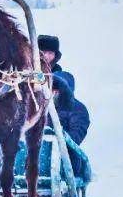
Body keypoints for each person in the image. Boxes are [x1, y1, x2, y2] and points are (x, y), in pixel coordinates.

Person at [37, 35, 90, 181]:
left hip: (62, 157)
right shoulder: (37, 102)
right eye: (43, 52)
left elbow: (76, 135)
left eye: (50, 53)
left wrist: (58, 137)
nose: (47, 56)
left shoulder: (77, 109)